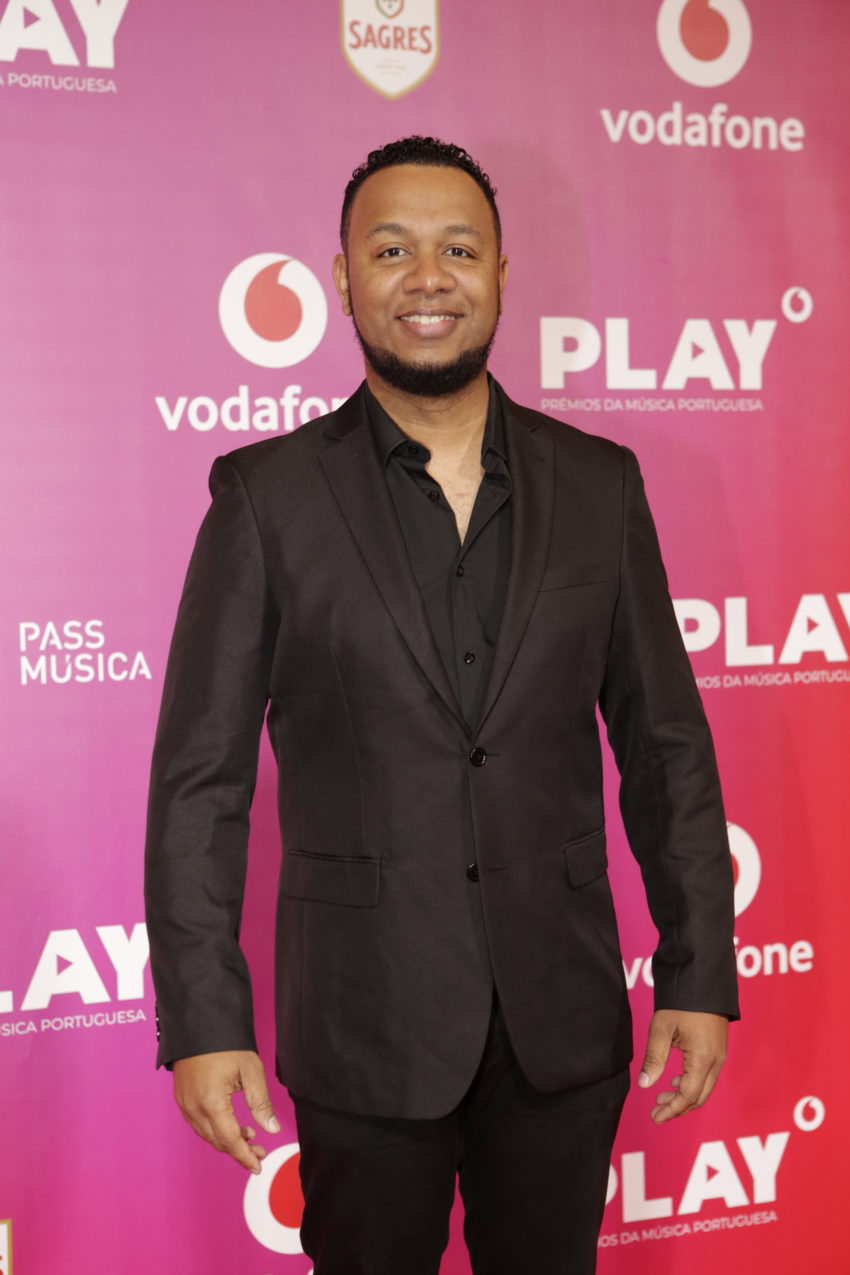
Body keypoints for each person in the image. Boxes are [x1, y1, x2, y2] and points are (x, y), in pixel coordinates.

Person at [145, 136, 739, 1274]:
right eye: (392, 250)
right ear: (343, 278)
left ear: (501, 273)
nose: (429, 278)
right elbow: (198, 784)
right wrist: (204, 1021)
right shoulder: (266, 498)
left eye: (459, 250)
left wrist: (698, 969)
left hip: (563, 1028)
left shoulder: (600, 484)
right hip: (364, 1028)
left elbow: (667, 747)